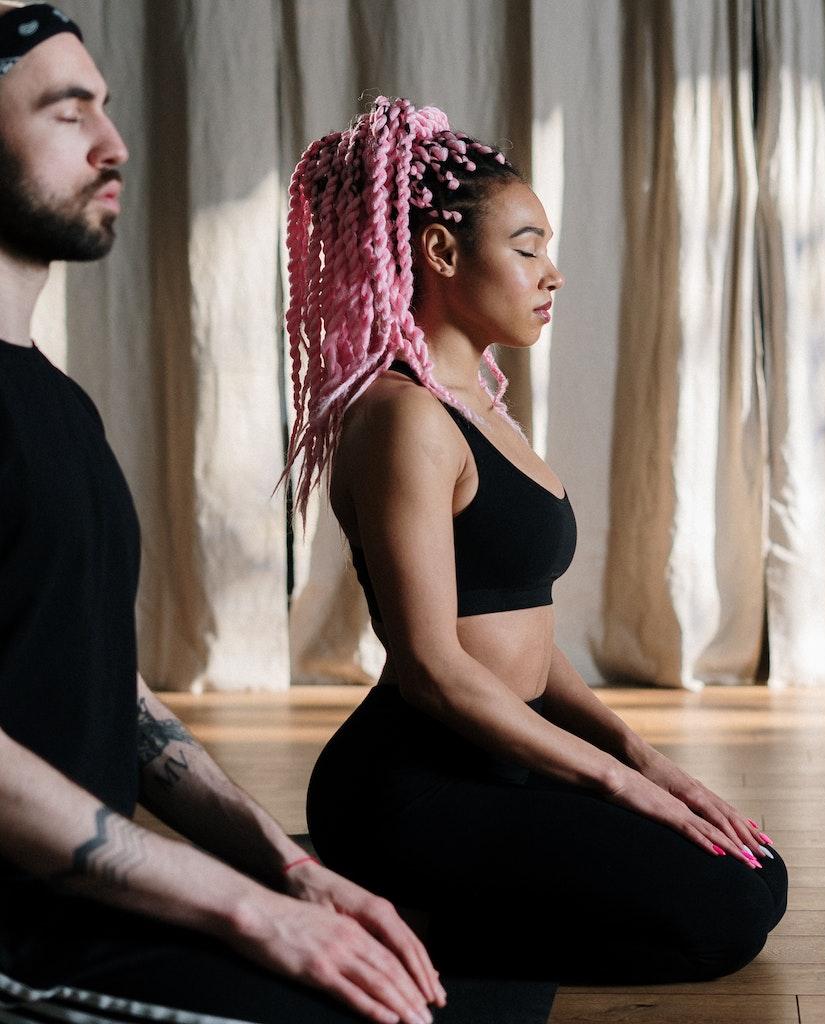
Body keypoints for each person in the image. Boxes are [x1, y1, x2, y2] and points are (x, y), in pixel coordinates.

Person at [0, 8, 555, 1024]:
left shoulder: (56, 404)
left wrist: (287, 873)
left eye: (108, 110)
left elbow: (108, 699)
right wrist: (246, 911)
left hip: (92, 895)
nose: (114, 143)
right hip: (21, 940)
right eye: (66, 111)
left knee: (451, 986)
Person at [286, 95, 788, 985]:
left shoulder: (481, 405)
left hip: (507, 759)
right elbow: (433, 666)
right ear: (441, 251)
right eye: (528, 248)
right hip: (414, 787)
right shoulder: (406, 422)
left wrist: (640, 755)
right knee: (726, 913)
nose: (552, 274)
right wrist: (616, 786)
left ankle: (429, 911)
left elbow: (520, 629)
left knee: (755, 870)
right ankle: (404, 926)